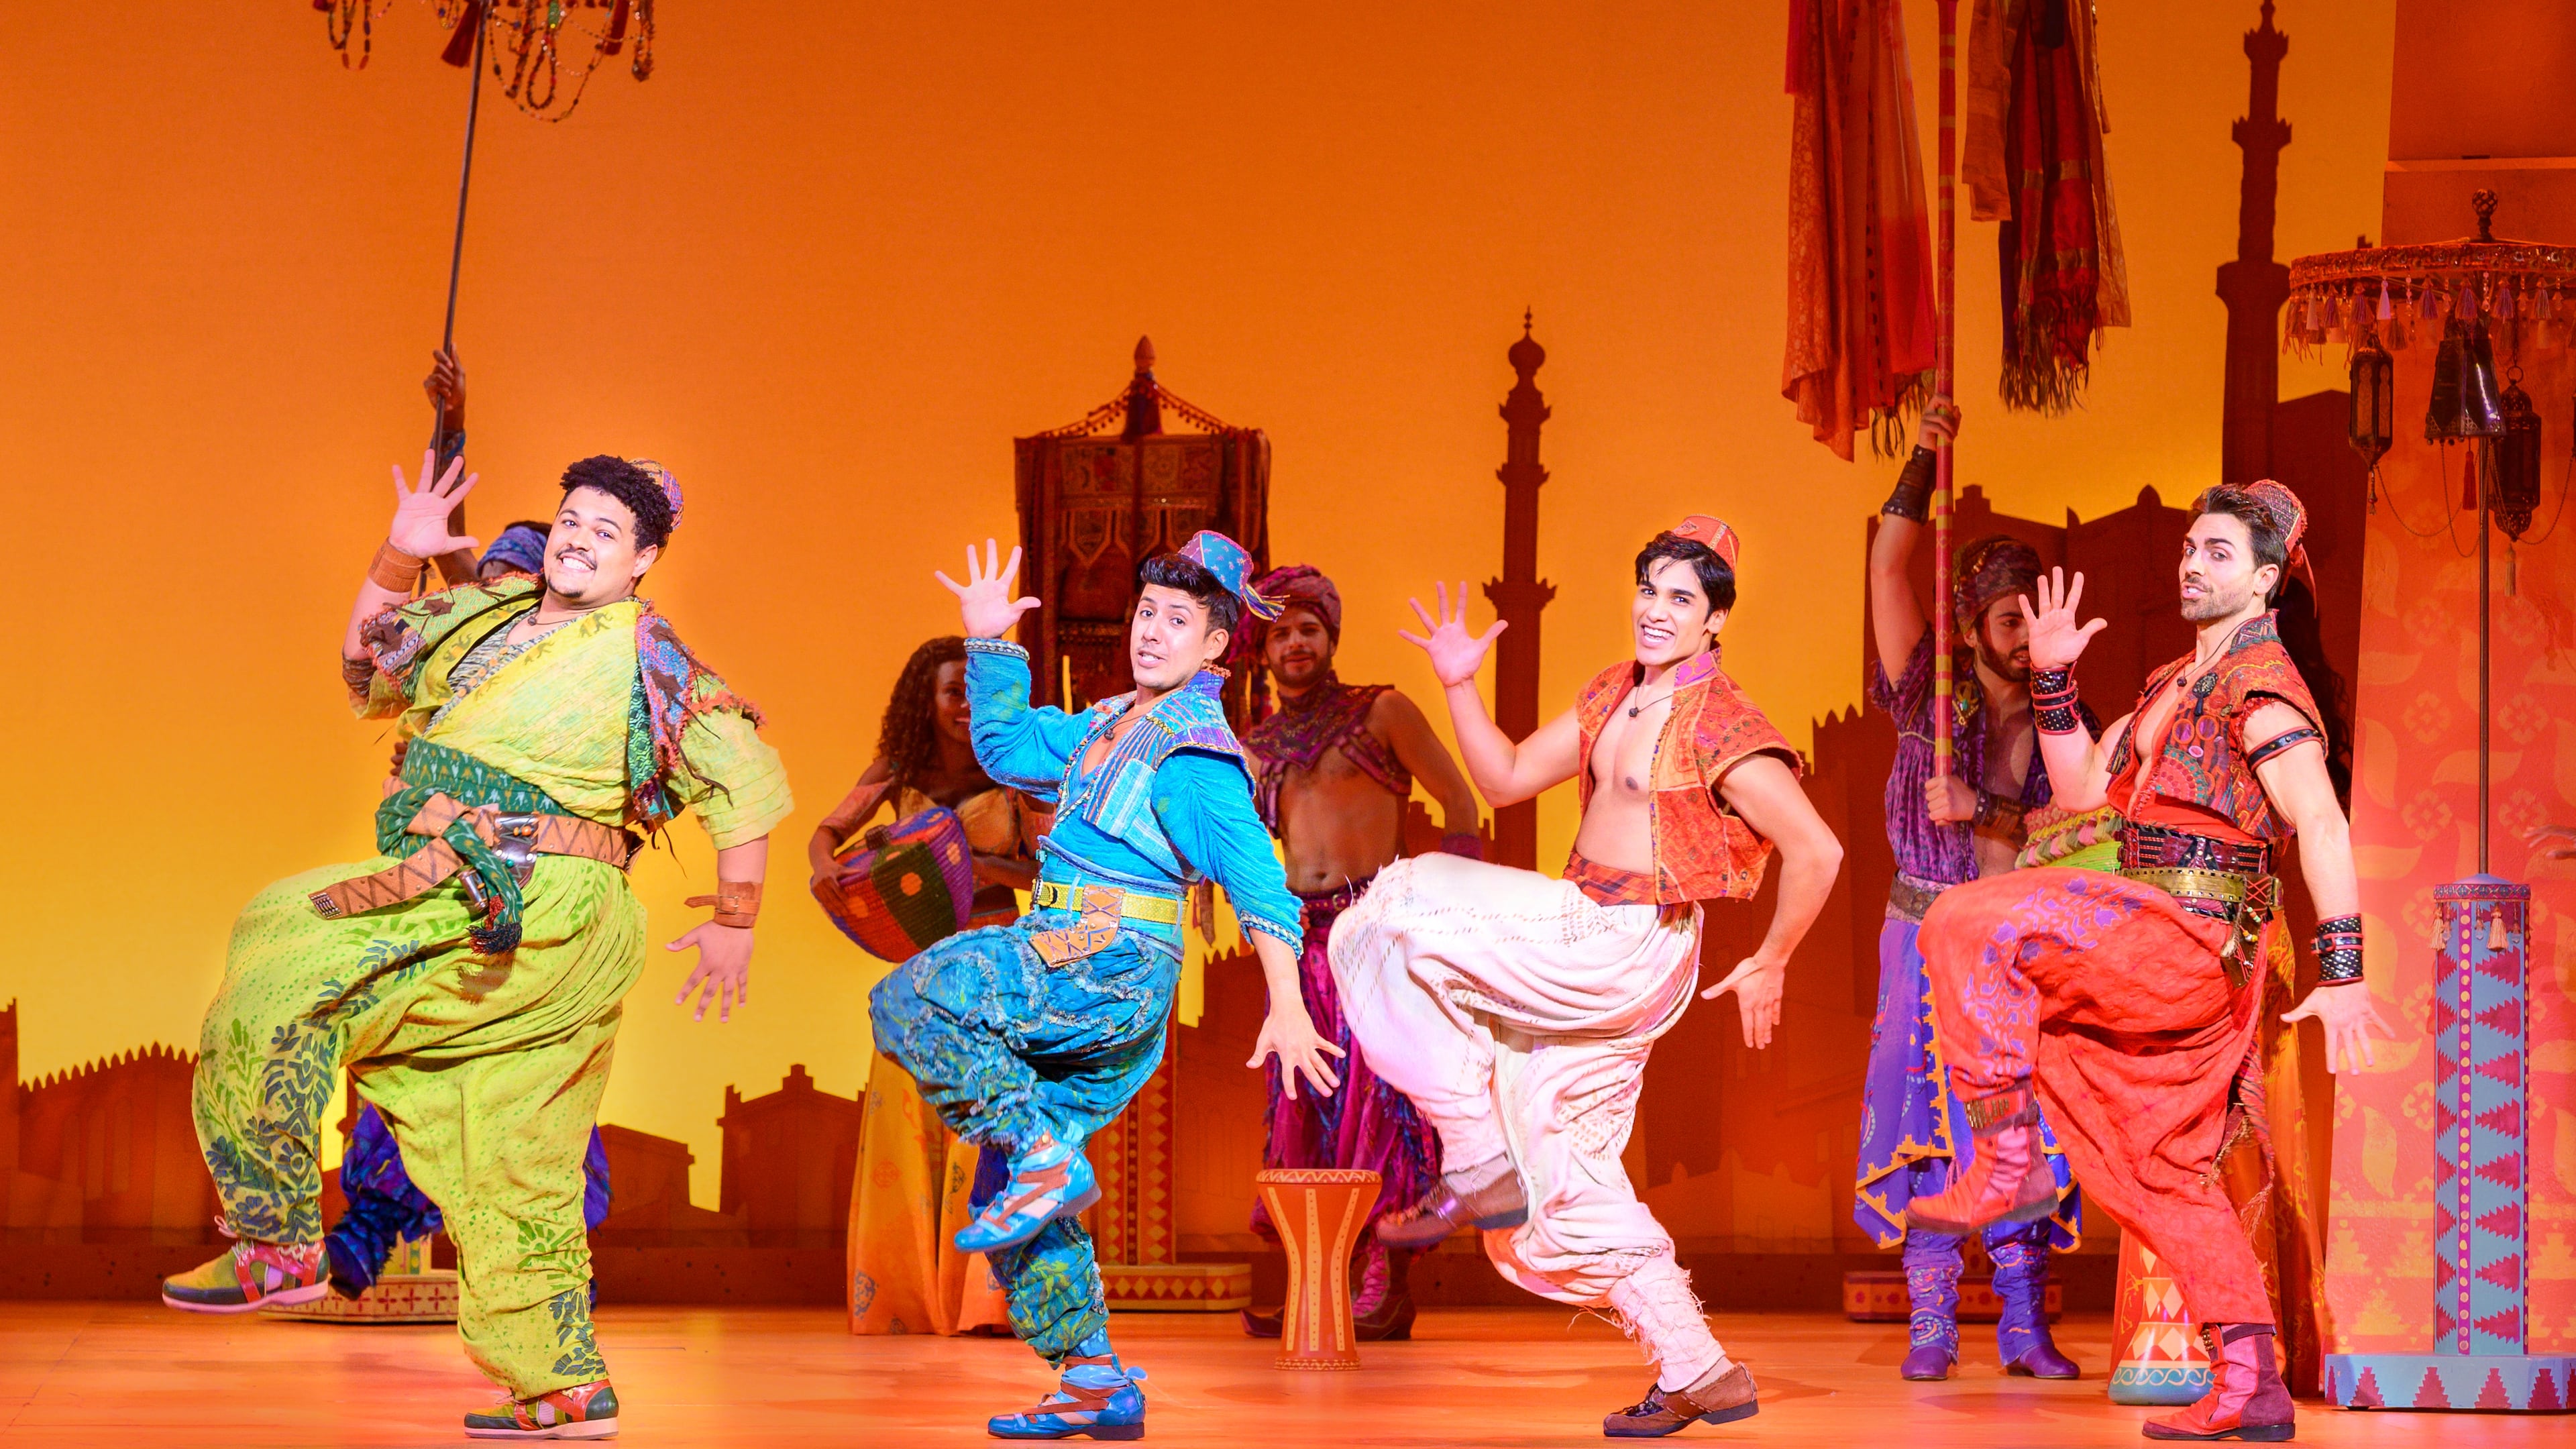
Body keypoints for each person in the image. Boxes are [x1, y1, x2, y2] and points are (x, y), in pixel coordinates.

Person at [165, 451, 790, 1442]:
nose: (581, 537)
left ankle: (277, 1240)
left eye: (607, 530)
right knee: (511, 1150)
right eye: (572, 518)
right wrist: (396, 553)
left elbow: (740, 776)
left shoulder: (646, 653)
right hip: (453, 882)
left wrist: (734, 922)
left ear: (645, 560)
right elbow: (366, 668)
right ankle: (560, 1386)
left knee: (293, 962)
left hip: (542, 902)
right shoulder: (487, 620)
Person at [1332, 518, 1845, 1437]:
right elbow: (1506, 778)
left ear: (1715, 619)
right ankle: (1699, 1367)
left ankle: (1471, 1141)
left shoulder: (1725, 724)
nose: (1656, 610)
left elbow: (1818, 846)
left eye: (1681, 598)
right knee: (1560, 1180)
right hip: (1589, 941)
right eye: (1649, 589)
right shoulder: (1616, 695)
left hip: (1622, 939)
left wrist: (1771, 959)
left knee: (1388, 908)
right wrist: (1457, 682)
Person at [1911, 481, 2394, 1442]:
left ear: (2263, 580)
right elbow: (2086, 786)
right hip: (2139, 926)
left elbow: (2322, 821)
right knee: (2155, 1172)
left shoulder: (2264, 683)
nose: (2191, 562)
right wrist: (2052, 680)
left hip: (2181, 931)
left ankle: (2008, 1160)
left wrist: (2345, 974)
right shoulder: (2180, 677)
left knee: (1965, 920)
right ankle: (2252, 1379)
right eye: (2188, 547)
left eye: (2217, 552)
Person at [869, 534, 1340, 1440]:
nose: (1151, 633)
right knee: (1005, 1199)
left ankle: (1042, 1154)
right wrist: (986, 638)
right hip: (1072, 954)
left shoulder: (1194, 755)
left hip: (1106, 959)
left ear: (1214, 646)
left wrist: (1288, 1001)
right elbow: (1007, 748)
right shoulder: (1107, 723)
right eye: (1145, 613)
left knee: (913, 997)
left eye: (1177, 620)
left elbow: (1256, 880)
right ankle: (1092, 1378)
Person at [1852, 403, 2083, 1381]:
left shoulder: (2062, 714)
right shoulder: (1924, 693)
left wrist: (1986, 808)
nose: (2025, 637)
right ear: (1974, 623)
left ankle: (2025, 1322)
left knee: (2014, 1120)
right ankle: (1933, 1319)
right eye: (2007, 620)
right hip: (1919, 931)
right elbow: (1887, 568)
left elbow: (2076, 840)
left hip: (2007, 946)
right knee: (1924, 1116)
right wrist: (1924, 458)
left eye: (2034, 620)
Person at [1235, 564, 1483, 1342]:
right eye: (1281, 632)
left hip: (1379, 934)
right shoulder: (1258, 745)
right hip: (1302, 944)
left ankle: (1386, 1279)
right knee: (1307, 1106)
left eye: (1309, 628)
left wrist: (1448, 917)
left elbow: (1462, 802)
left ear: (1331, 636)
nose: (1297, 643)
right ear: (1263, 652)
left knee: (1385, 1106)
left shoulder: (1381, 712)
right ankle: (1319, 1279)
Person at [816, 635, 1047, 1338]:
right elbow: (828, 831)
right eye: (953, 691)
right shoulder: (900, 767)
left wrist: (967, 860)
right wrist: (828, 866)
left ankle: (987, 1300)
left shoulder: (1019, 772)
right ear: (929, 697)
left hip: (995, 961)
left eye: (978, 692)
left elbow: (1044, 874)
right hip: (919, 967)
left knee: (990, 1120)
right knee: (908, 1119)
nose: (965, 705)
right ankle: (908, 1295)